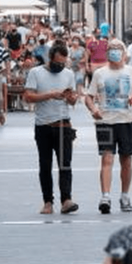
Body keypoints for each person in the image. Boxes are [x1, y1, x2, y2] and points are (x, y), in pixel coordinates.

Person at [85, 39, 132, 214]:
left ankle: (125, 195)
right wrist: (93, 109)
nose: (114, 52)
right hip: (105, 122)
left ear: (124, 53)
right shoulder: (99, 73)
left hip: (127, 121)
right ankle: (106, 197)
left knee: (126, 160)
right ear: (107, 53)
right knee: (107, 159)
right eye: (111, 49)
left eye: (117, 49)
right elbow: (88, 96)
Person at [24, 42, 80, 215]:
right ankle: (47, 202)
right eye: (57, 63)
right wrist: (50, 94)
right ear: (50, 58)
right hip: (43, 126)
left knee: (65, 165)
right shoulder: (36, 72)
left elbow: (73, 100)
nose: (60, 67)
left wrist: (70, 97)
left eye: (63, 63)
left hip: (63, 125)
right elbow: (28, 97)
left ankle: (66, 200)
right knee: (45, 165)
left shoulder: (69, 74)